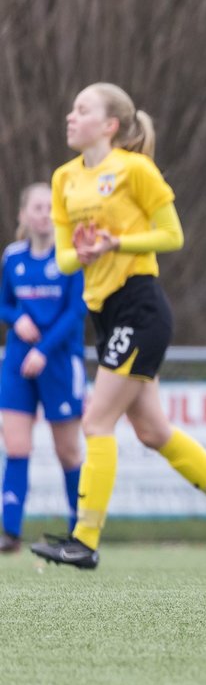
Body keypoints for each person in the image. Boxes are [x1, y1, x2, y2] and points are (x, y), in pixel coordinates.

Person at [30, 83, 206, 570]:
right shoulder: (64, 178)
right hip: (106, 314)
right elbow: (66, 258)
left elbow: (173, 235)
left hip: (141, 308)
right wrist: (87, 252)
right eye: (71, 108)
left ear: (110, 125)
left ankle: (84, 541)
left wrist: (118, 244)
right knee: (154, 432)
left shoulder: (135, 170)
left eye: (82, 109)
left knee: (95, 422)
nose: (71, 116)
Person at [1, 183, 86, 552]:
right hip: (18, 363)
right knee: (16, 446)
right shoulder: (13, 258)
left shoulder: (69, 258)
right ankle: (10, 532)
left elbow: (76, 311)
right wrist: (15, 318)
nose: (44, 214)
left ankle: (81, 533)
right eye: (36, 207)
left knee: (68, 451)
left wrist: (45, 350)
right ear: (23, 215)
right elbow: (3, 303)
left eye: (50, 207)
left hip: (60, 363)